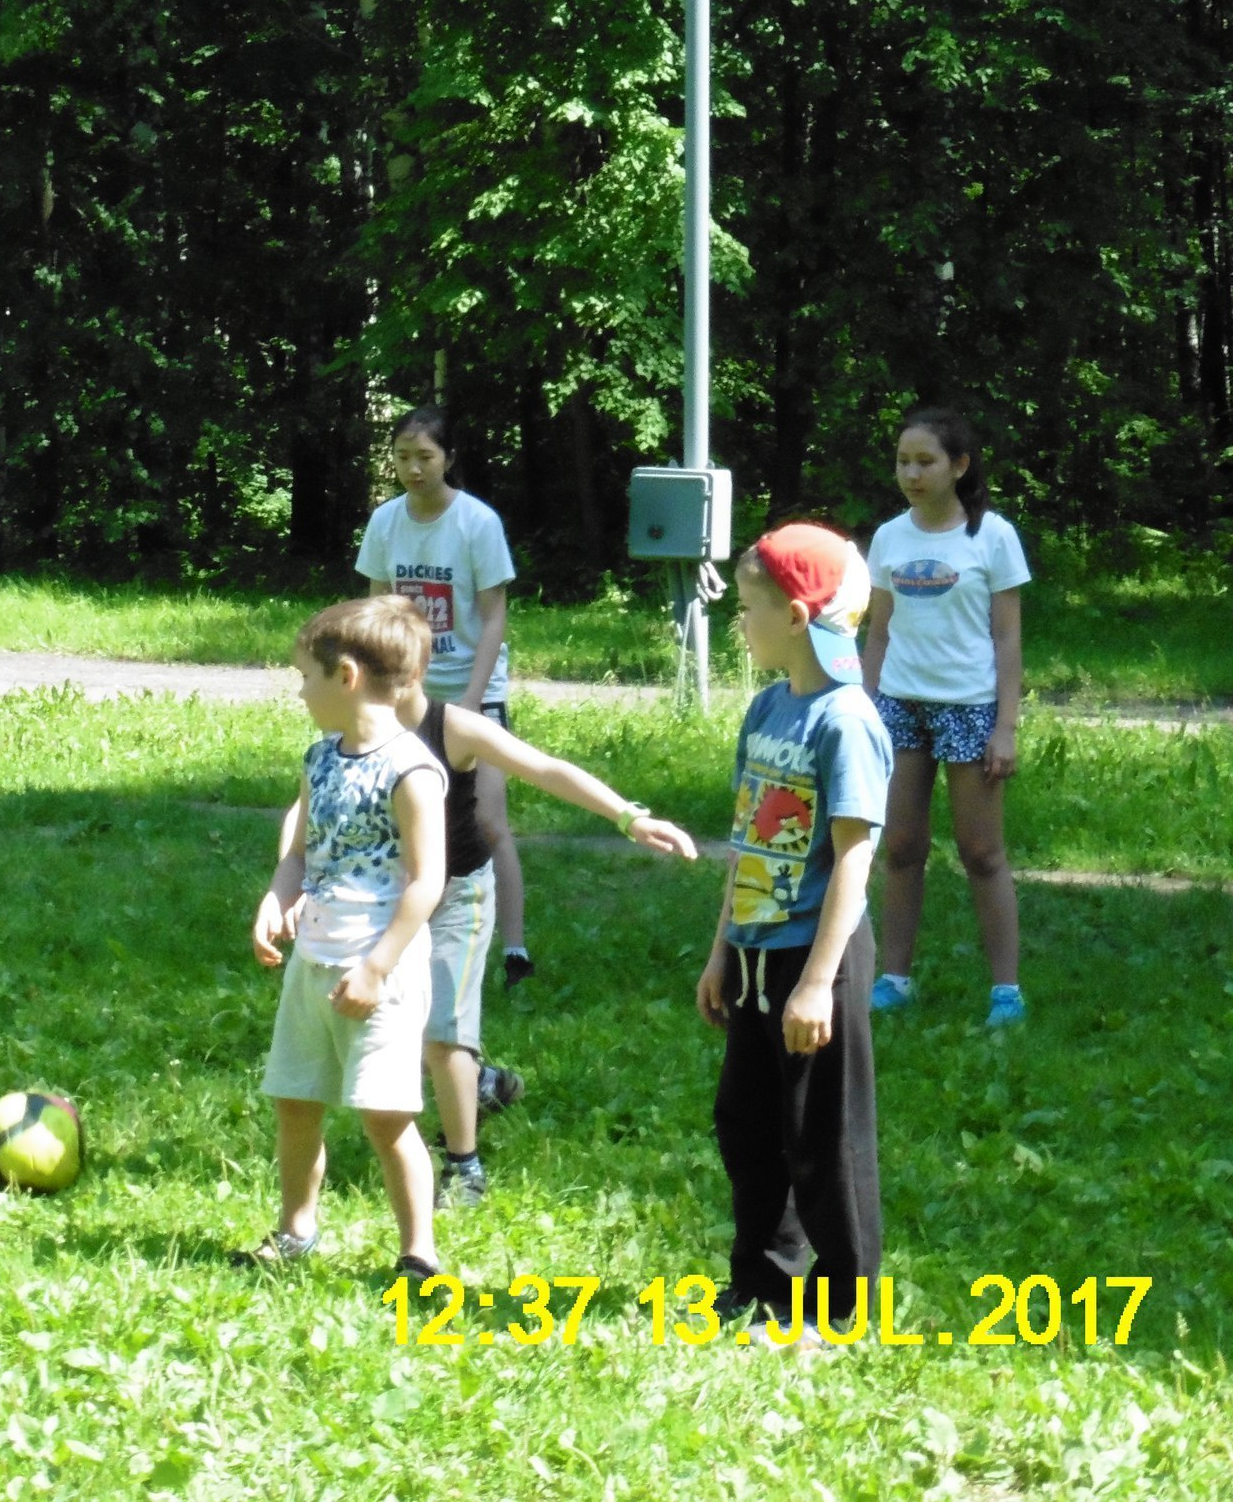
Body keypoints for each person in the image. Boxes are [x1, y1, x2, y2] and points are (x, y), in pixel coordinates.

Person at [395, 666, 701, 1208]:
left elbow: (544, 767)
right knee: (393, 1032)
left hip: (458, 896)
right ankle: (479, 1083)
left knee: (444, 1031)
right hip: (391, 899)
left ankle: (464, 1169)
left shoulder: (453, 726)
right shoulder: (354, 732)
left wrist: (629, 818)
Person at [694, 524, 892, 1339]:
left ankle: (843, 1304)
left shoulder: (844, 722)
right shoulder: (770, 707)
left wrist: (817, 980)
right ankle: (765, 1283)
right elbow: (747, 838)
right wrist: (721, 950)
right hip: (752, 954)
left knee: (823, 1140)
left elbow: (854, 859)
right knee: (746, 1124)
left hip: (818, 961)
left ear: (799, 616)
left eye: (750, 608)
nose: (740, 624)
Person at [239, 597, 449, 1282]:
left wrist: (376, 968)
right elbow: (299, 851)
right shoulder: (321, 758)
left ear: (347, 676)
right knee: (296, 1100)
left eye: (306, 677)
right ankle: (296, 1231)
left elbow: (426, 882)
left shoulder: (410, 771)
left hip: (377, 972)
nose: (300, 691)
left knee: (386, 1118)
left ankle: (420, 1253)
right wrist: (278, 897)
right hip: (314, 963)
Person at [354, 405, 533, 999]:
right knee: (404, 817)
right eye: (402, 456)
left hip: (471, 689)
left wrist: (476, 701)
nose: (412, 468)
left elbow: (494, 612)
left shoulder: (477, 523)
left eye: (424, 457)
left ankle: (513, 949)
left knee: (486, 819)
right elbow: (377, 608)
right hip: (408, 691)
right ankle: (403, 936)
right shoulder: (385, 521)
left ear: (448, 460)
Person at [861, 406, 1032, 1027]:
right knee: (900, 847)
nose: (912, 472)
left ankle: (1006, 993)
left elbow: (1008, 639)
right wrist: (865, 707)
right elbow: (877, 634)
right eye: (904, 461)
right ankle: (894, 980)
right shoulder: (888, 538)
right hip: (899, 708)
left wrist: (1005, 727)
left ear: (959, 466)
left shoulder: (992, 537)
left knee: (982, 851)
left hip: (971, 709)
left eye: (925, 461)